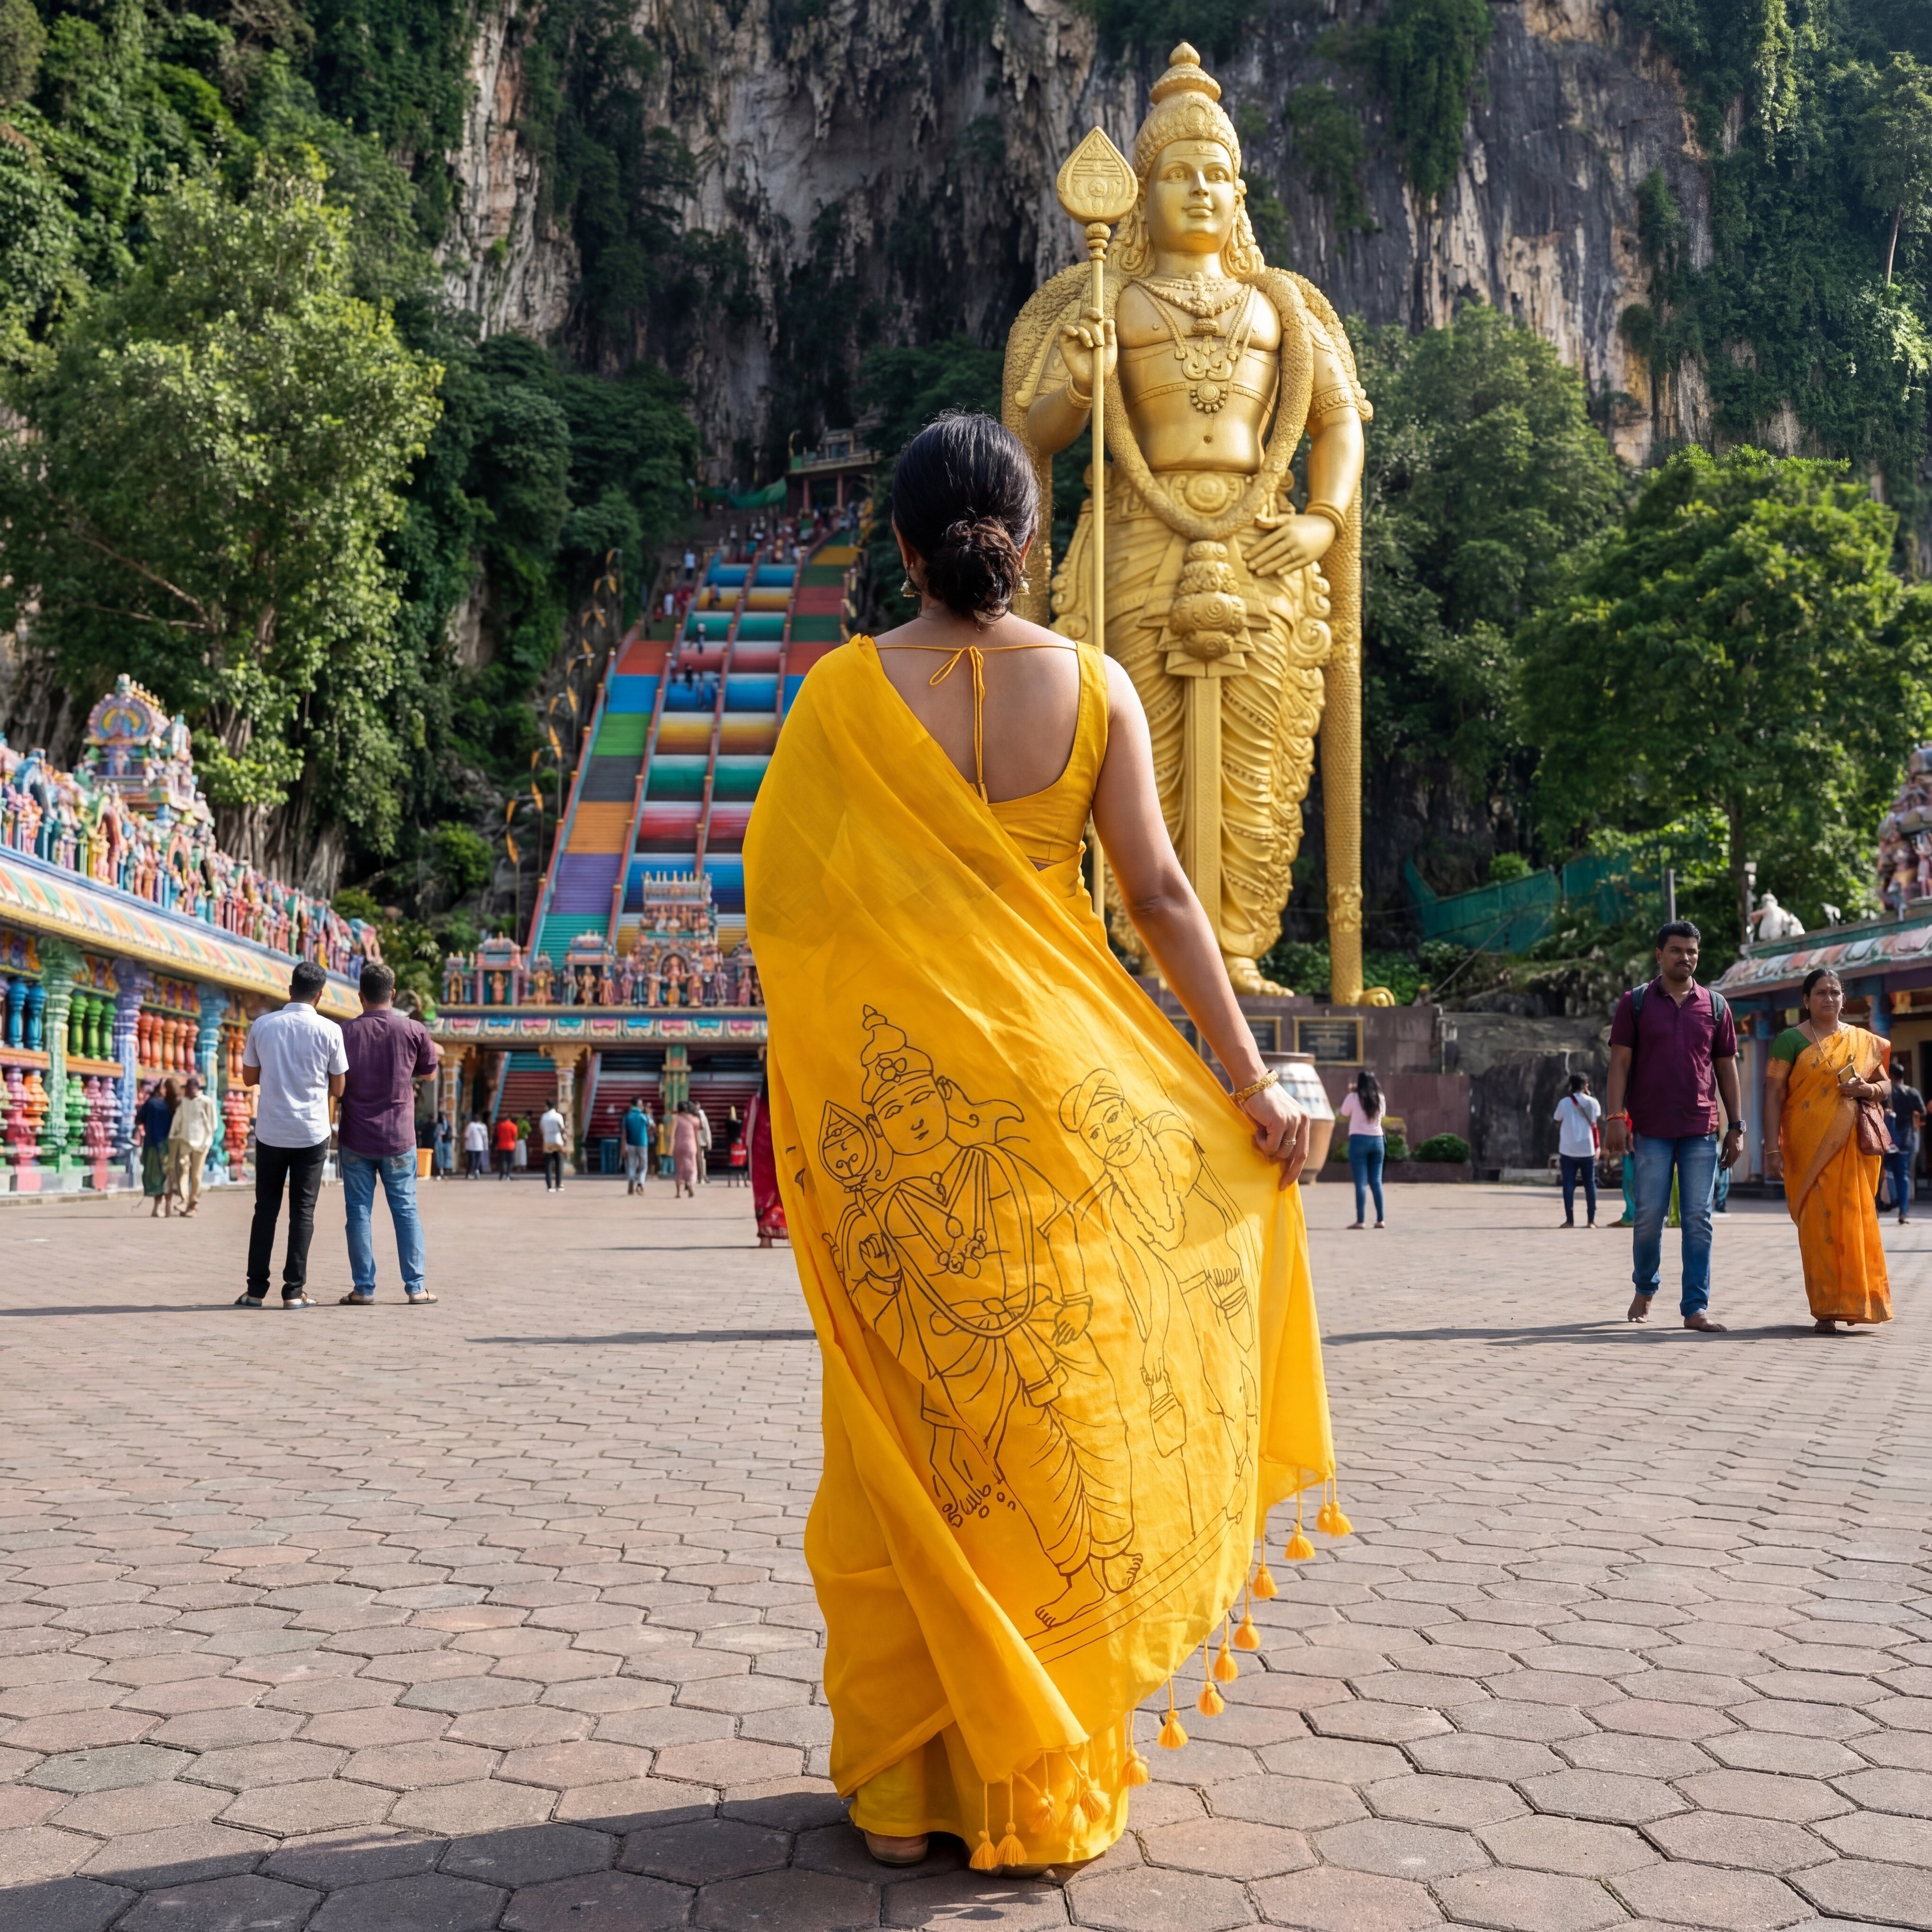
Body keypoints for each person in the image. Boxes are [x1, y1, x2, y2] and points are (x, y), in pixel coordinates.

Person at [742, 413, 1336, 1873]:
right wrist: (1250, 1081)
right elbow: (1164, 902)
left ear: (898, 544)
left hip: (907, 1134)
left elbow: (791, 921)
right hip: (1070, 1118)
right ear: (1032, 537)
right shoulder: (1097, 688)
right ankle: (1035, 1775)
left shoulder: (836, 700)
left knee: (911, 1439)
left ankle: (906, 1793)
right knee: (1050, 1430)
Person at [1603, 922, 1742, 1332]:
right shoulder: (1637, 1003)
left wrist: (1737, 1125)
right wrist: (1615, 1118)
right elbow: (1620, 1065)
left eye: (1692, 951)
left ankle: (1695, 1308)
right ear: (1659, 955)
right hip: (1652, 1129)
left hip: (1701, 1128)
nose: (1686, 957)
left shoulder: (1716, 1006)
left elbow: (1726, 1069)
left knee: (1699, 1218)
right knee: (1649, 1216)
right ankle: (1645, 1287)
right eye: (1677, 950)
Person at [1764, 968, 1894, 1332]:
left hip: (1852, 1147)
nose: (1829, 999)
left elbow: (1885, 1086)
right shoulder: (1790, 1041)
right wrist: (1771, 1150)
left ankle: (1857, 1302)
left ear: (1843, 998)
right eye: (1820, 992)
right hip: (1807, 1149)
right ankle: (1826, 1307)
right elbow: (1774, 1096)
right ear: (1806, 1000)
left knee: (1855, 1217)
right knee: (1817, 1226)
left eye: (1835, 992)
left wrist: (1866, 1091)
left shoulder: (1865, 1041)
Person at [237, 960, 347, 1310]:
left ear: (289, 990)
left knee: (265, 1209)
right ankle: (293, 1291)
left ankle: (256, 1290)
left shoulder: (264, 1025)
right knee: (303, 1211)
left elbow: (249, 1078)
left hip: (271, 1129)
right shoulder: (331, 1031)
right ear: (320, 995)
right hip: (312, 1132)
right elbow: (339, 1086)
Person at [337, 961, 439, 1307]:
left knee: (358, 1213)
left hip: (355, 1138)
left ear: (360, 996)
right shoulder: (413, 1030)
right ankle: (416, 1287)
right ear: (393, 995)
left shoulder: (344, 1033)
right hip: (399, 1137)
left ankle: (364, 1288)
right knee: (406, 1210)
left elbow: (335, 1082)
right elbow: (429, 1074)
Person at [165, 1073, 219, 1218]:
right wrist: (172, 1136)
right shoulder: (184, 1102)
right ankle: (184, 1199)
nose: (191, 1091)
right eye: (188, 1088)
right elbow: (178, 1119)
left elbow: (213, 1124)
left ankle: (193, 1205)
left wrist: (208, 1141)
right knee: (182, 1170)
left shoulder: (206, 1102)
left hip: (202, 1144)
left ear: (198, 1088)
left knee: (196, 1175)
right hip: (185, 1141)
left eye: (193, 1088)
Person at [1337, 1070, 1386, 1230]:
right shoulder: (1380, 1098)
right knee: (1377, 1182)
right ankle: (1380, 1220)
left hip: (1359, 1141)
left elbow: (1344, 1113)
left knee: (1361, 1184)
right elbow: (1382, 1115)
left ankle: (1361, 1221)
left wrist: (1352, 1092)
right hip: (1378, 1141)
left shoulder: (1353, 1097)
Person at [1553, 1072, 1602, 1229]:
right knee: (1590, 1185)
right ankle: (1591, 1221)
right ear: (1586, 1086)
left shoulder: (1564, 1103)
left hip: (1568, 1150)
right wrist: (1590, 1095)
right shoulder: (1593, 1102)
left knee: (1568, 1184)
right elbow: (1595, 1120)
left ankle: (1570, 1221)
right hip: (1587, 1150)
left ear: (1571, 1086)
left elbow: (1557, 1121)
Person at [1882, 1052, 1923, 1225]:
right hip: (1905, 1139)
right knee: (1903, 1176)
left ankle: (1877, 1208)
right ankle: (1903, 1214)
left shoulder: (1887, 1091)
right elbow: (1923, 1111)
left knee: (1881, 1173)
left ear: (1890, 1075)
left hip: (1887, 1139)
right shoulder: (1912, 1092)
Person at [746, 1075, 785, 1245]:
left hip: (761, 1157)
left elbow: (748, 1133)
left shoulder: (756, 1102)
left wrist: (749, 1159)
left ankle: (766, 1238)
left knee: (763, 1196)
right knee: (784, 1194)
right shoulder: (786, 1101)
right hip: (783, 1153)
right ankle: (786, 1233)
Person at [136, 1079, 176, 1217]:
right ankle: (168, 1208)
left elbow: (139, 1119)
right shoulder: (172, 1104)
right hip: (167, 1145)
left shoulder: (150, 1103)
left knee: (156, 1177)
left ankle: (157, 1207)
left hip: (151, 1145)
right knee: (168, 1176)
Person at [622, 1097, 653, 1194]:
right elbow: (649, 1125)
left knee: (632, 1164)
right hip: (642, 1143)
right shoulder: (642, 1116)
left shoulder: (627, 1117)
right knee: (643, 1166)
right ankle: (640, 1184)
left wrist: (623, 1146)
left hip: (631, 1143)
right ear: (639, 1105)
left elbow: (624, 1132)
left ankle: (631, 1180)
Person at [670, 1102, 700, 1198]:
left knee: (679, 1169)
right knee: (691, 1168)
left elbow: (672, 1134)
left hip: (678, 1146)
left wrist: (670, 1148)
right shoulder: (695, 1120)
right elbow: (696, 1135)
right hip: (691, 1146)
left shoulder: (676, 1119)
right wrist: (698, 1148)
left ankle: (678, 1193)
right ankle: (690, 1184)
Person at [538, 1097, 568, 1190]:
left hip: (547, 1141)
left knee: (548, 1165)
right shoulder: (558, 1116)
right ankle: (558, 1185)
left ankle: (549, 1186)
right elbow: (562, 1128)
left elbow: (541, 1129)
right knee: (559, 1163)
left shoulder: (544, 1116)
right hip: (557, 1140)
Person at [463, 1113, 488, 1178]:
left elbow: (466, 1136)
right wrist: (486, 1147)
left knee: (471, 1161)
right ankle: (477, 1171)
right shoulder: (483, 1126)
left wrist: (465, 1145)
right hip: (480, 1147)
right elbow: (485, 1137)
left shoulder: (471, 1126)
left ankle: (469, 1174)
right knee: (478, 1160)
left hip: (471, 1146)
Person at [493, 1110, 516, 1179]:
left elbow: (497, 1135)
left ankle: (501, 1174)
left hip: (501, 1145)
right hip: (510, 1146)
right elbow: (515, 1136)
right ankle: (508, 1174)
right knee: (510, 1161)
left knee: (502, 1161)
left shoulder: (500, 1126)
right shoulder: (513, 1126)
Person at [433, 1112, 453, 1179]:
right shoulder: (442, 1124)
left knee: (442, 1158)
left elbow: (435, 1134)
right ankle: (442, 1172)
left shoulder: (441, 1125)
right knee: (442, 1158)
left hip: (442, 1143)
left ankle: (442, 1172)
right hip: (442, 1143)